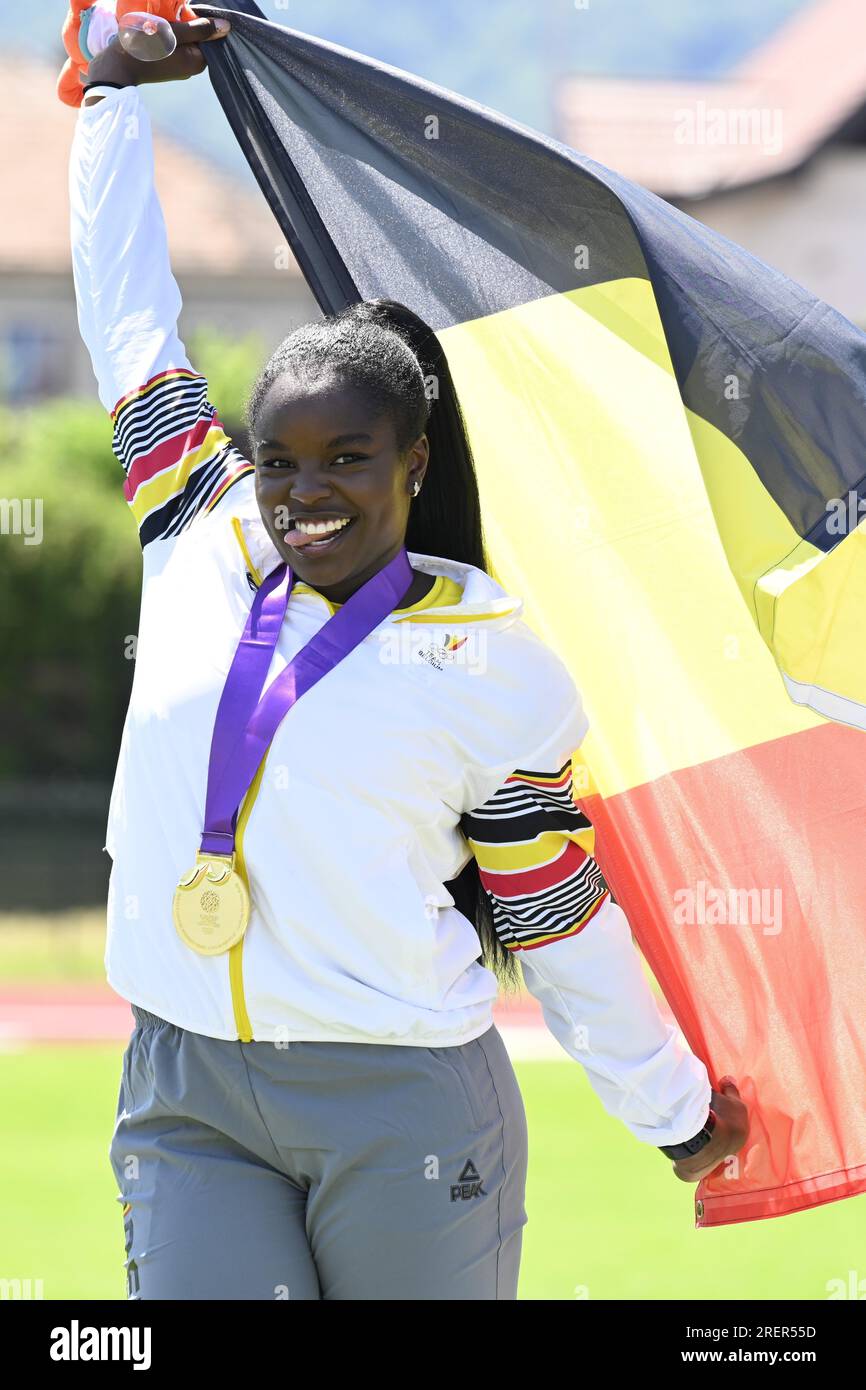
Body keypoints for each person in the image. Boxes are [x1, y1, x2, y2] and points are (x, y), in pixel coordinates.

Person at [70, 17, 748, 1301]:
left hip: (402, 1099)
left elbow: (552, 908)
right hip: (186, 1087)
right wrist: (106, 102)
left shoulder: (492, 658)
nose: (301, 494)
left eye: (347, 460)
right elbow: (129, 326)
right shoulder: (190, 525)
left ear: (413, 466)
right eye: (279, 459)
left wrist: (664, 1104)